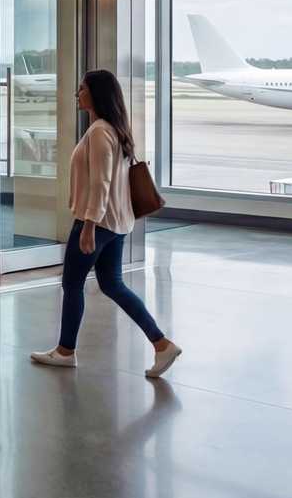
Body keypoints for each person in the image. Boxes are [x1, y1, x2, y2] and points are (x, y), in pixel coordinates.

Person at [31, 69, 182, 378]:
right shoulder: (115, 129)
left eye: (82, 89)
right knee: (112, 284)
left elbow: (101, 182)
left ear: (97, 94)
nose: (77, 94)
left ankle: (65, 351)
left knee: (72, 284)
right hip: (115, 222)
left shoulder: (100, 131)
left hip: (97, 222)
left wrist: (88, 225)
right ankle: (162, 344)